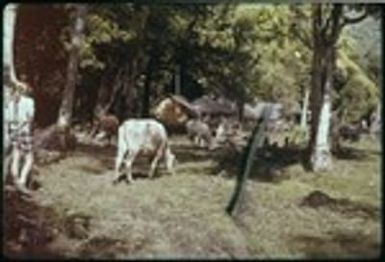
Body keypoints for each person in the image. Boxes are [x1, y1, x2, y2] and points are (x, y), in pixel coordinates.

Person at [6, 81, 35, 192]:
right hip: (24, 131)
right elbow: (30, 118)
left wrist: (10, 132)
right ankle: (21, 181)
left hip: (13, 131)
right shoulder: (28, 101)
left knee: (16, 156)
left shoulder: (9, 103)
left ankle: (16, 179)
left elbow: (8, 120)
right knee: (29, 158)